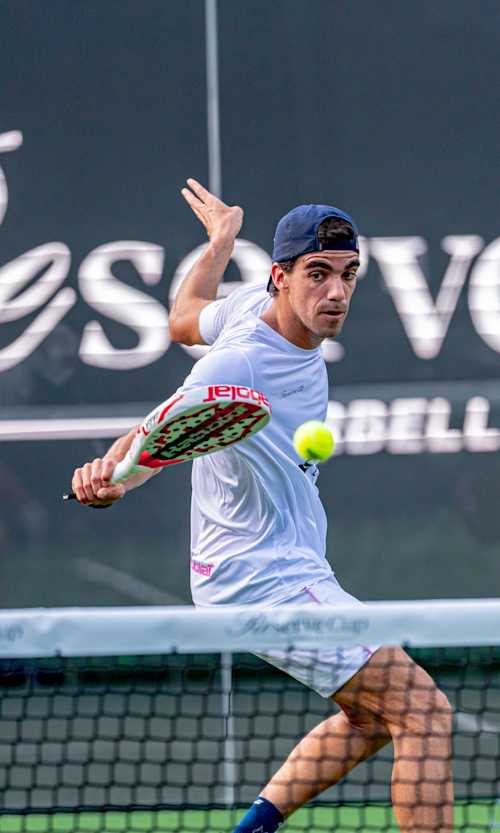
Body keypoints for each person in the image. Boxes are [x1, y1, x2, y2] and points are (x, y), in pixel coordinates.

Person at [71, 179, 453, 833]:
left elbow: (183, 314)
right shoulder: (244, 362)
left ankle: (249, 830)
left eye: (348, 274)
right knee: (425, 711)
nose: (336, 292)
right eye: (318, 274)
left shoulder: (250, 303)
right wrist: (113, 476)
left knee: (371, 715)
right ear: (282, 276)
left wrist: (219, 243)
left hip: (285, 565)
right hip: (260, 577)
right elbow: (159, 431)